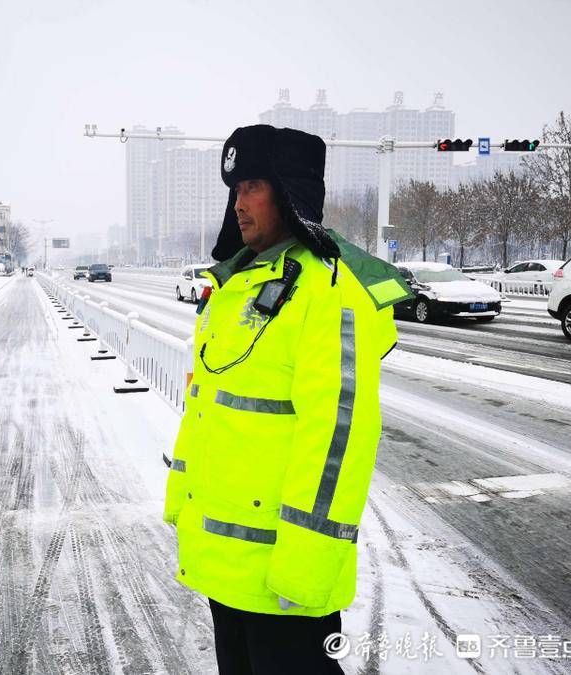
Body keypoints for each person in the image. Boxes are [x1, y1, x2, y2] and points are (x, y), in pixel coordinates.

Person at [163, 125, 410, 674]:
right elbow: (209, 404)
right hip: (226, 566)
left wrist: (302, 570)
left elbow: (338, 439)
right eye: (235, 189)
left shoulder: (328, 291)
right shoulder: (238, 286)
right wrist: (182, 502)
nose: (239, 204)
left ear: (289, 192)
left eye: (252, 186)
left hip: (284, 583)